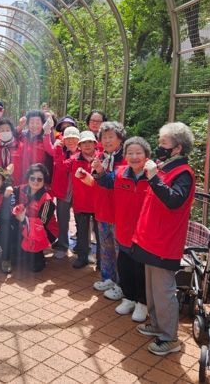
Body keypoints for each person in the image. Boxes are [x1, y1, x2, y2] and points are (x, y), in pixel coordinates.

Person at [132, 122, 196, 356]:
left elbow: (174, 200)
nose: (159, 146)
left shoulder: (183, 173)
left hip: (164, 241)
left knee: (163, 290)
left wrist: (153, 178)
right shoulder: (164, 168)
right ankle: (158, 325)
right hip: (151, 238)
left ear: (177, 148)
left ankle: (170, 337)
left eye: (163, 143)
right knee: (152, 287)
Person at [89, 136, 152, 323]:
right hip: (123, 230)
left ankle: (142, 303)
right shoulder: (120, 173)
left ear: (147, 155)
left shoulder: (153, 176)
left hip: (144, 233)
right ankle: (129, 298)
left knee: (140, 269)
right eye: (130, 153)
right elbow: (106, 181)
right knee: (125, 266)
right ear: (125, 155)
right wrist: (99, 171)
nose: (134, 157)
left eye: (138, 153)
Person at [91, 121, 127, 299]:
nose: (107, 140)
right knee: (105, 247)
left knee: (121, 250)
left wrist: (101, 173)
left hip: (120, 212)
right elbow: (96, 181)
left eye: (111, 136)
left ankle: (121, 284)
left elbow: (118, 181)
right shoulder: (99, 156)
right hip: (102, 209)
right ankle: (108, 278)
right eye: (104, 137)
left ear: (120, 138)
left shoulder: (127, 158)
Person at [11, 163, 58, 272]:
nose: (35, 182)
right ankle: (21, 251)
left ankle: (38, 257)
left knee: (34, 232)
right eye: (32, 178)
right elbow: (10, 195)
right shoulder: (20, 189)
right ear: (28, 178)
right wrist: (14, 209)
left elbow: (41, 224)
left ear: (44, 181)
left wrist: (24, 220)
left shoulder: (47, 199)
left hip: (44, 230)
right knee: (10, 225)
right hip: (24, 225)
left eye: (39, 179)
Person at [68, 131, 102, 269]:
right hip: (81, 202)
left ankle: (101, 261)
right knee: (82, 232)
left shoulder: (102, 158)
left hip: (98, 202)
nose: (87, 145)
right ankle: (82, 257)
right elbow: (60, 166)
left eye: (90, 142)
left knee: (100, 234)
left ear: (95, 144)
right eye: (84, 143)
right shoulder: (74, 159)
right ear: (79, 145)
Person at [45, 126, 80, 260]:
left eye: (74, 138)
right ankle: (63, 245)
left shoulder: (83, 153)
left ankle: (83, 248)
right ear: (63, 140)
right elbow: (59, 165)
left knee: (82, 222)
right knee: (63, 219)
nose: (71, 141)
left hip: (80, 193)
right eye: (68, 138)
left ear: (79, 140)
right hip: (63, 192)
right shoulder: (60, 151)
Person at [17, 110, 52, 183]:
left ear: (43, 124)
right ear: (27, 124)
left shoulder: (46, 138)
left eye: (38, 123)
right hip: (22, 177)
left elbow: (51, 154)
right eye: (32, 122)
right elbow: (11, 138)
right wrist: (19, 127)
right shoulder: (22, 136)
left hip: (38, 178)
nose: (34, 125)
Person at [0, 118, 22, 185]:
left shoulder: (20, 146)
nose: (5, 132)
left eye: (8, 130)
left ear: (12, 132)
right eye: (2, 130)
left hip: (16, 185)